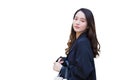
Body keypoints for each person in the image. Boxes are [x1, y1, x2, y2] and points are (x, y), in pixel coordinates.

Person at [53, 8, 100, 80]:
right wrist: (64, 61)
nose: (77, 22)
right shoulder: (79, 41)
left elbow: (83, 73)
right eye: (75, 19)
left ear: (88, 25)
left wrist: (61, 69)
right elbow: (78, 63)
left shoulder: (83, 43)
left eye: (82, 21)